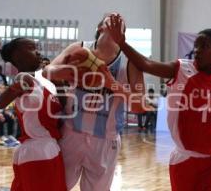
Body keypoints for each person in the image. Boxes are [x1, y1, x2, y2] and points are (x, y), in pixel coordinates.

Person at [106, 15, 211, 191]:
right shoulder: (181, 69)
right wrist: (122, 43)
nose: (197, 50)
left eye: (204, 46)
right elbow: (145, 64)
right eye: (196, 45)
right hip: (187, 162)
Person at [43, 12, 144, 191]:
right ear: (99, 27)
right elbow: (47, 71)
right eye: (110, 18)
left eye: (120, 21)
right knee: (57, 187)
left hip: (105, 139)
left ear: (123, 34)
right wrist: (68, 72)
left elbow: (140, 106)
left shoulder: (130, 62)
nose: (116, 18)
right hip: (71, 132)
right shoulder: (79, 49)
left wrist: (111, 84)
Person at [0, 38, 67, 191]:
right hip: (37, 152)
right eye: (32, 48)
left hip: (50, 149)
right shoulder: (24, 78)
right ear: (18, 55)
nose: (38, 52)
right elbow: (1, 103)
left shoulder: (42, 84)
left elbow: (63, 115)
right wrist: (16, 87)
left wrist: (59, 84)